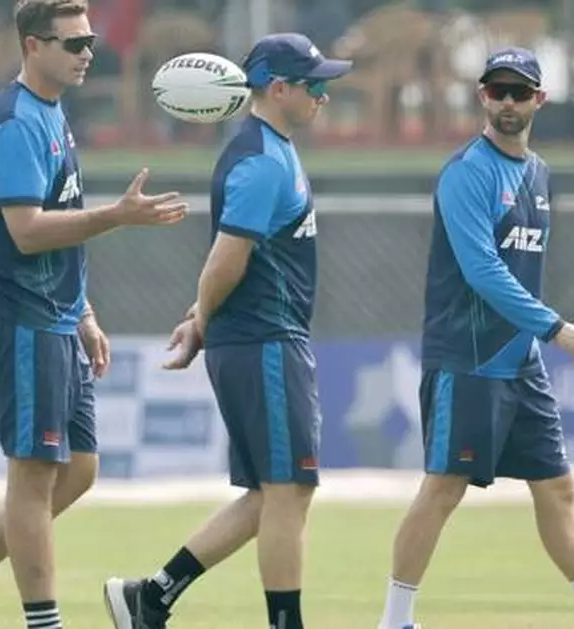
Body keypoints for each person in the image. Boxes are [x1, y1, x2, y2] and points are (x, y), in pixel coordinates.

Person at [374, 47, 574, 629]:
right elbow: (483, 271)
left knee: (557, 490)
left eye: (519, 92)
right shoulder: (466, 173)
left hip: (519, 363)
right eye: (497, 91)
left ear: (539, 101)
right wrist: (555, 328)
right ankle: (394, 623)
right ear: (482, 97)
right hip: (468, 359)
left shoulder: (539, 173)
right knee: (444, 489)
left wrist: (535, 339)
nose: (507, 102)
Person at [0, 2, 188, 629]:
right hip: (20, 316)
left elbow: (58, 223)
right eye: (74, 43)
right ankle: (43, 623)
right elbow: (26, 232)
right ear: (34, 45)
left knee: (78, 470)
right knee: (33, 478)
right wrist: (116, 215)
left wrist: (83, 311)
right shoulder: (15, 121)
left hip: (56, 315)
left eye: (90, 43)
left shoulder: (52, 113)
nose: (88, 53)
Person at [102, 33, 350, 629]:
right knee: (289, 491)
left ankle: (152, 597)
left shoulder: (267, 149)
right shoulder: (263, 160)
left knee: (273, 493)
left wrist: (201, 318)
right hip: (264, 340)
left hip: (262, 339)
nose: (323, 94)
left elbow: (228, 260)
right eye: (313, 84)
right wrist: (201, 321)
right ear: (279, 88)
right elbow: (226, 257)